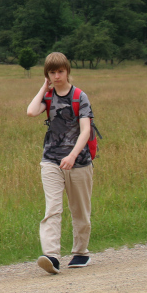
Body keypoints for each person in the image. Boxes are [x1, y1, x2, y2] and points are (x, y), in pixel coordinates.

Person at [26, 52, 94, 275]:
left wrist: (73, 155)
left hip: (79, 161)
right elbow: (31, 112)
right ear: (47, 75)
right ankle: (52, 257)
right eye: (52, 72)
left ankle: (80, 252)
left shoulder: (79, 97)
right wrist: (43, 88)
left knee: (80, 210)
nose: (57, 76)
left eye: (60, 71)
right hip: (51, 160)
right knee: (52, 209)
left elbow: (86, 130)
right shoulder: (47, 96)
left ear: (67, 71)